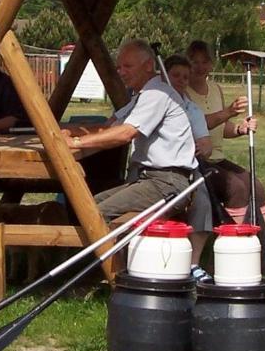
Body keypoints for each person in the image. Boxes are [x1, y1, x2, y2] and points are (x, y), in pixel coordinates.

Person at [185, 40, 265, 269]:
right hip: (196, 161)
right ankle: (236, 250)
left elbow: (221, 127)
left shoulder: (215, 89)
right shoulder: (182, 92)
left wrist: (239, 128)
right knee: (236, 188)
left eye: (205, 61)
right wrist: (228, 112)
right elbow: (197, 124)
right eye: (195, 62)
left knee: (255, 185)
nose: (200, 67)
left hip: (218, 157)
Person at [62, 39, 196, 221]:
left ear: (148, 65)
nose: (121, 72)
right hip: (152, 180)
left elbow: (126, 133)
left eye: (127, 66)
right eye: (119, 67)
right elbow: (110, 126)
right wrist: (72, 131)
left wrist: (76, 142)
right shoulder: (142, 96)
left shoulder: (156, 94)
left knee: (94, 215)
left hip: (166, 184)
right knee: (90, 205)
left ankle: (109, 249)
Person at [163, 54, 217, 281]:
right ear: (164, 75)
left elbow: (206, 144)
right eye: (175, 75)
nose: (181, 80)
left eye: (185, 77)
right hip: (156, 167)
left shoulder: (192, 109)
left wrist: (202, 148)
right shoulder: (152, 100)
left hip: (186, 166)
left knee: (203, 198)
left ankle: (193, 263)